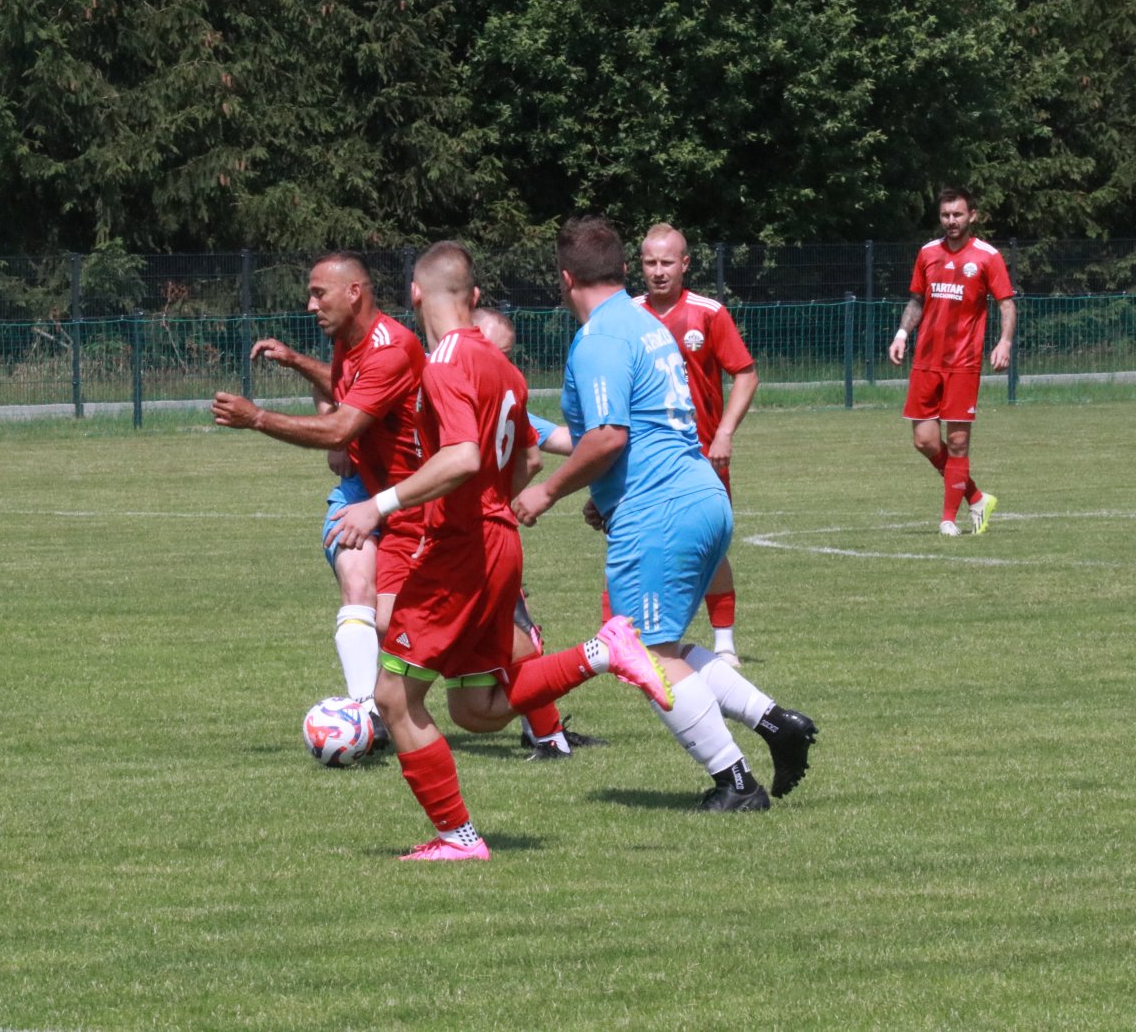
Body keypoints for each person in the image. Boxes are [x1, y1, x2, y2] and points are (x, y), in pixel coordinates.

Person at [331, 242, 668, 859]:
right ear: (475, 296)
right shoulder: (502, 367)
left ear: (414, 294)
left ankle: (458, 839)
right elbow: (529, 459)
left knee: (393, 698)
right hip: (498, 539)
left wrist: (378, 506)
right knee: (476, 708)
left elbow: (461, 457)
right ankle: (600, 652)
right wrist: (494, 510)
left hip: (460, 547)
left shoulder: (444, 362)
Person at [510, 216, 817, 812]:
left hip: (660, 510)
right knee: (661, 645)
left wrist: (546, 493)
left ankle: (736, 785)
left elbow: (608, 438)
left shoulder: (601, 338)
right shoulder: (644, 326)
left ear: (565, 278)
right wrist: (531, 427)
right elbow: (615, 433)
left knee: (643, 655)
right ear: (625, 269)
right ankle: (778, 724)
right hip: (700, 495)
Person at [211, 252, 426, 743]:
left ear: (354, 292)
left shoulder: (392, 348)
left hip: (414, 498)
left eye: (318, 293)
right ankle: (366, 719)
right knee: (357, 581)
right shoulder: (347, 341)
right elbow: (351, 387)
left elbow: (341, 427)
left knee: (404, 623)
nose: (310, 305)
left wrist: (257, 418)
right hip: (361, 490)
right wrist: (296, 361)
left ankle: (533, 708)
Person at [473, 306, 606, 760]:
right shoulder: (441, 386)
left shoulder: (503, 397)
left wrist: (617, 434)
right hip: (448, 540)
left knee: (518, 638)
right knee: (508, 646)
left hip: (483, 537)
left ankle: (547, 735)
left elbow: (558, 443)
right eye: (494, 352)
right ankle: (373, 712)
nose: (502, 364)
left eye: (507, 355)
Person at [633, 224, 758, 668]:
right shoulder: (628, 315)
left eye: (667, 262)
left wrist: (724, 432)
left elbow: (746, 374)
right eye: (651, 262)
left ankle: (724, 643)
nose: (659, 271)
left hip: (701, 454)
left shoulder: (708, 313)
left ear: (685, 264)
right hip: (645, 457)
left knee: (710, 546)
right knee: (641, 544)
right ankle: (637, 641)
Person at [889, 186, 1016, 536]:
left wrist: (1004, 341)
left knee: (958, 442)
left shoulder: (988, 256)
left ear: (972, 215)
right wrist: (901, 335)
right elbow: (916, 301)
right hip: (926, 361)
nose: (951, 221)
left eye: (957, 214)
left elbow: (1006, 304)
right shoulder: (928, 253)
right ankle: (976, 497)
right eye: (945, 215)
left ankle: (948, 519)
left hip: (963, 363)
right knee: (924, 441)